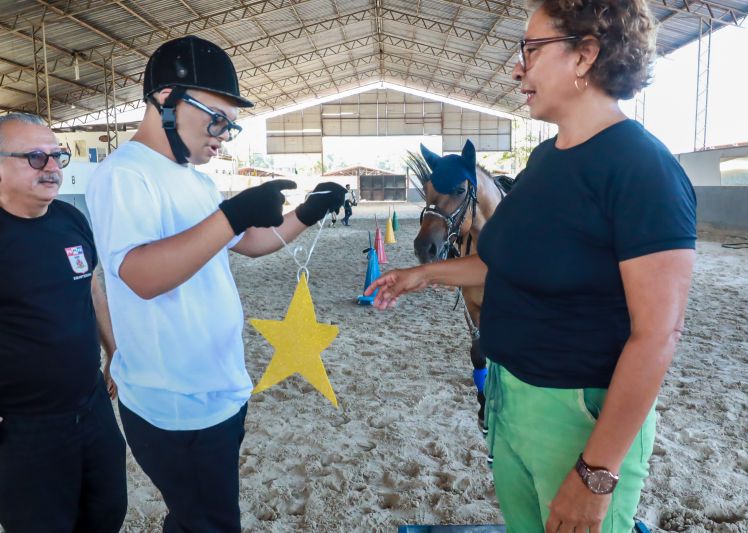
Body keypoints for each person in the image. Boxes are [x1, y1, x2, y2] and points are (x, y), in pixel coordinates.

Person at [365, 1, 696, 532]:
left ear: (586, 55)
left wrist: (596, 473)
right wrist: (420, 275)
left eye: (532, 49)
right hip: (509, 397)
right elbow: (501, 264)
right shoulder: (544, 161)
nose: (518, 68)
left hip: (579, 419)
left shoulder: (642, 169)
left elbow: (658, 335)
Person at [86, 36, 344, 532]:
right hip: (175, 402)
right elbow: (140, 276)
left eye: (230, 123)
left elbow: (247, 242)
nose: (224, 134)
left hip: (217, 388)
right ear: (166, 99)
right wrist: (229, 216)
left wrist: (307, 213)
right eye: (217, 118)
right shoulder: (124, 175)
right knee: (209, 522)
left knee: (197, 518)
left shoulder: (195, 178)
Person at [0, 113, 127, 532]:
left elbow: (92, 289)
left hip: (91, 407)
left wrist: (113, 351)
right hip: (23, 427)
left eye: (58, 155)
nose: (53, 167)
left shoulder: (70, 220)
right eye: (36, 157)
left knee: (108, 511)